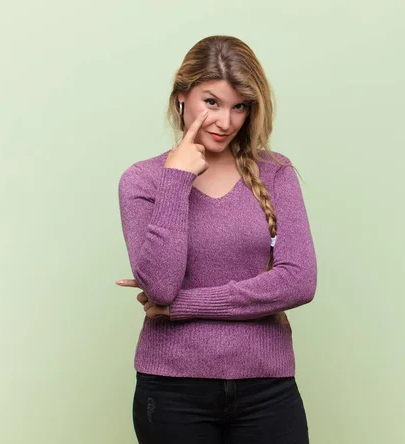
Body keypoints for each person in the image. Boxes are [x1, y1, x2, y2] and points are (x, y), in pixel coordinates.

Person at [115, 35, 317, 444]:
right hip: (172, 391)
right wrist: (176, 179)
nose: (226, 122)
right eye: (212, 102)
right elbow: (162, 285)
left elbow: (298, 281)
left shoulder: (276, 173)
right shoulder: (143, 180)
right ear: (181, 97)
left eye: (239, 106)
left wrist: (181, 306)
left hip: (268, 388)